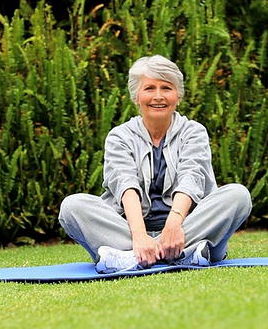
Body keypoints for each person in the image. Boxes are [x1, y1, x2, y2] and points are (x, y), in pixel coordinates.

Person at [59, 55, 252, 274]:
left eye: (166, 88)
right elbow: (126, 186)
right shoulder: (119, 137)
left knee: (238, 195)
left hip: (186, 229)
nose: (158, 96)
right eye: (149, 88)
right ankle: (181, 254)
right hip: (131, 233)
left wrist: (173, 227)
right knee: (72, 206)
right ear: (136, 96)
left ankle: (134, 257)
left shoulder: (194, 132)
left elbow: (191, 179)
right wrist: (140, 236)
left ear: (178, 96)